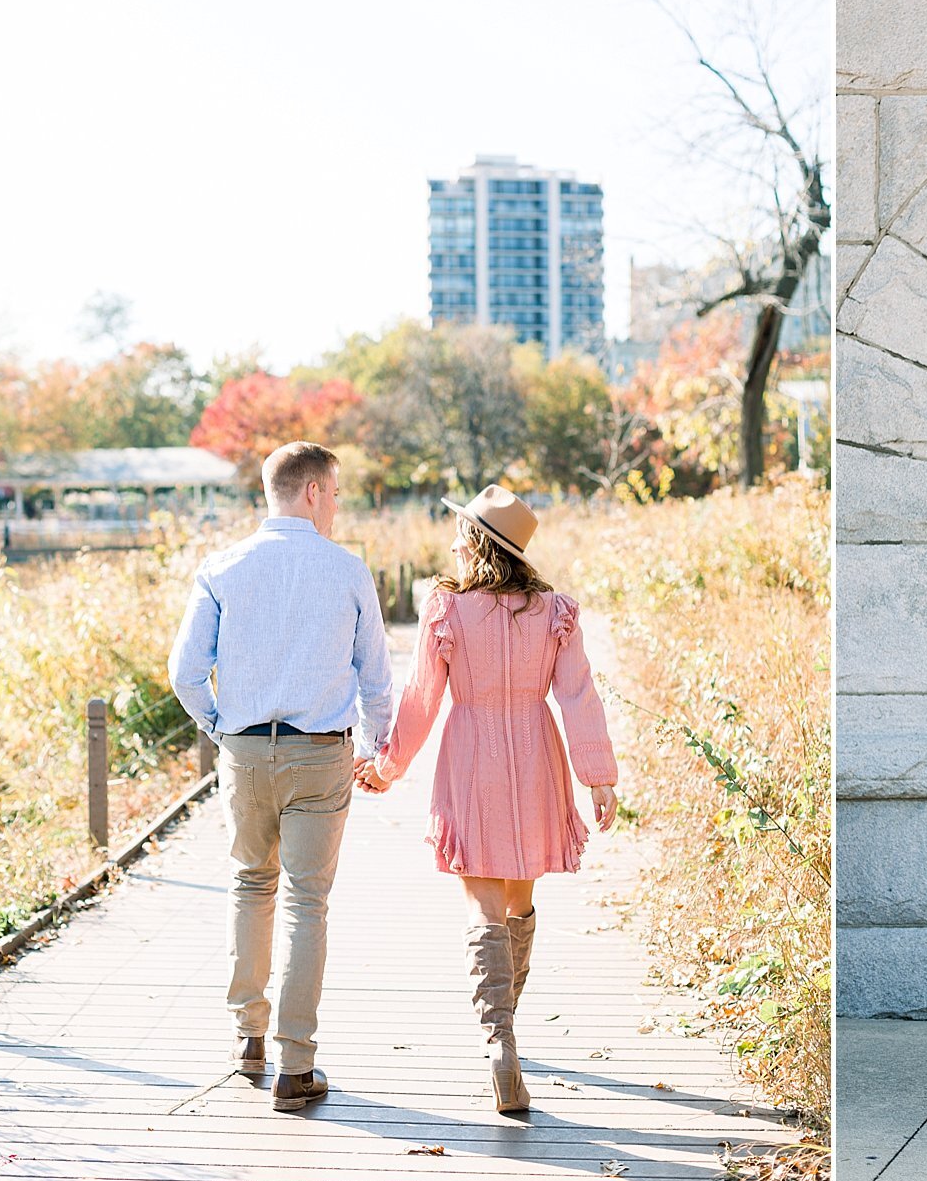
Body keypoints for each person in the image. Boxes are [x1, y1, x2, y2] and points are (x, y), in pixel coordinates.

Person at [353, 483, 618, 1114]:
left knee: (482, 906)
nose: (450, 540)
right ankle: (508, 1031)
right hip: (537, 751)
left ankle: (499, 1041)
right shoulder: (553, 610)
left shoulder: (447, 608)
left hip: (471, 754)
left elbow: (422, 697)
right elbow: (577, 694)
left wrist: (388, 766)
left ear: (475, 542)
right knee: (520, 902)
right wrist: (598, 775)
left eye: (458, 530)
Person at [167, 441, 392, 1114]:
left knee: (249, 884)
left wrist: (222, 728)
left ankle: (248, 1039)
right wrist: (379, 751)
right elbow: (378, 680)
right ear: (314, 491)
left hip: (244, 752)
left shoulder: (222, 566)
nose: (337, 505)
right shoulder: (348, 569)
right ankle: (297, 1064)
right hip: (321, 754)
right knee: (307, 902)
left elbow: (183, 672)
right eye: (337, 493)